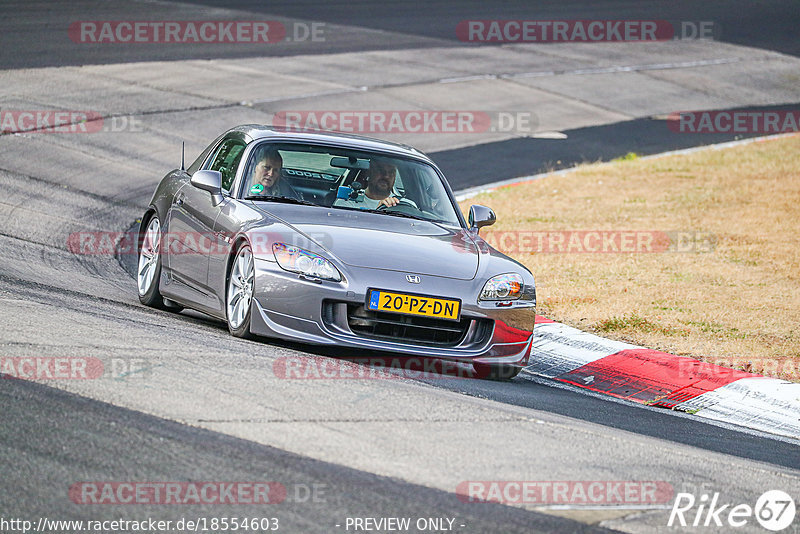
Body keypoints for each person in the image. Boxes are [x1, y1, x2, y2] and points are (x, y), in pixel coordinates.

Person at [334, 158, 413, 209]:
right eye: (381, 171)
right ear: (369, 173)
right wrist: (378, 211)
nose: (386, 176)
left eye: (391, 172)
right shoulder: (347, 203)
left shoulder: (405, 205)